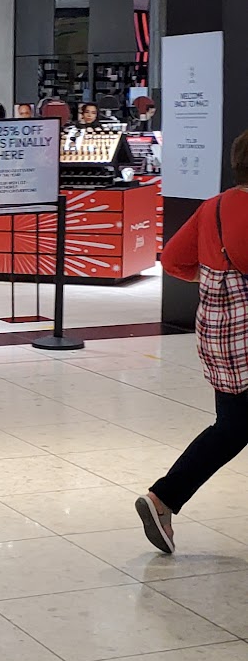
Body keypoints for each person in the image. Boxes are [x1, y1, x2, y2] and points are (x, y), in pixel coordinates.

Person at [136, 129, 248, 555]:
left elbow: (173, 259)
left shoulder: (213, 206)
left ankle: (164, 499)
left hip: (221, 334)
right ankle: (164, 497)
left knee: (233, 424)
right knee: (232, 428)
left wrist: (213, 275)